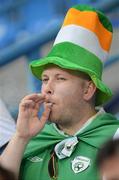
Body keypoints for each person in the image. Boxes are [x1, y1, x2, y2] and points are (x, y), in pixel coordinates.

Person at [0, 4, 119, 180]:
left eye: (60, 78)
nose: (47, 87)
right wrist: (21, 136)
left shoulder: (113, 140)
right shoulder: (29, 141)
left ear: (88, 89)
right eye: (45, 79)